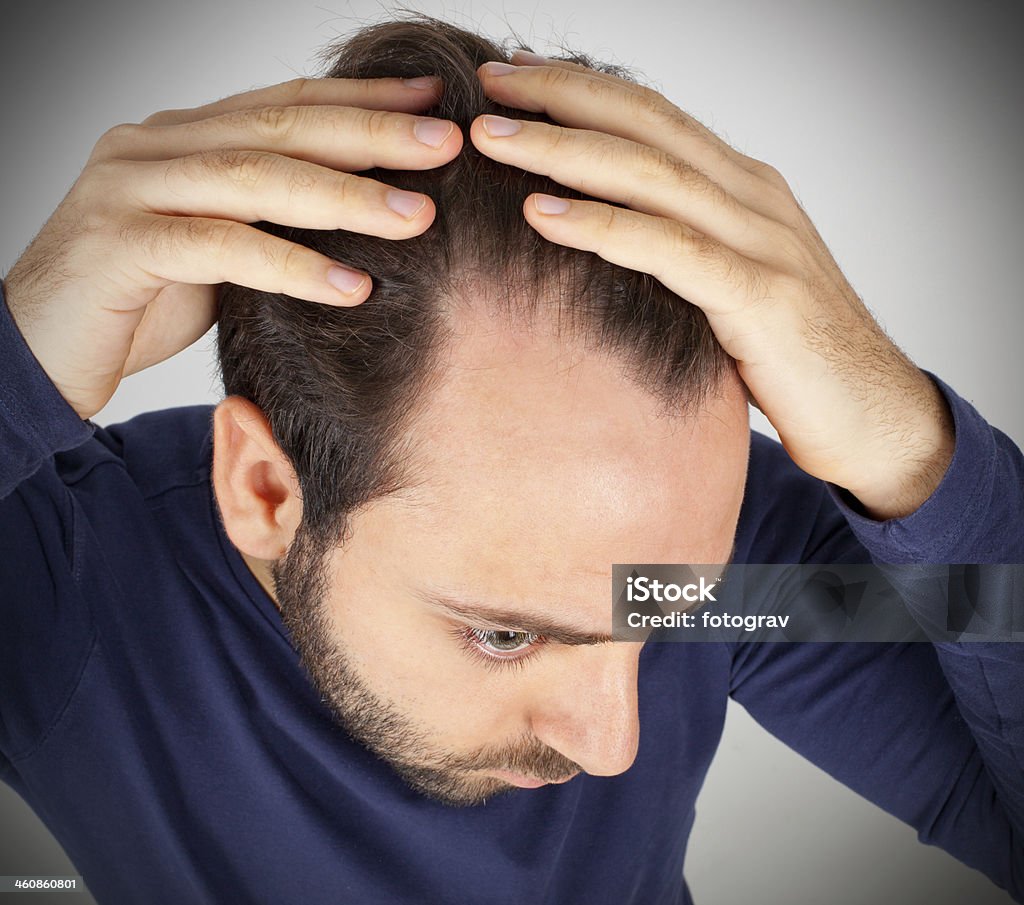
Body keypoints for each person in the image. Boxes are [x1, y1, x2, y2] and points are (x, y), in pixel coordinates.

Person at [1, 15, 1021, 905]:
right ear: (263, 489)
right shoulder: (65, 587)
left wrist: (912, 447)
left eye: (658, 617)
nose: (609, 743)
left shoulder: (718, 561)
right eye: (501, 633)